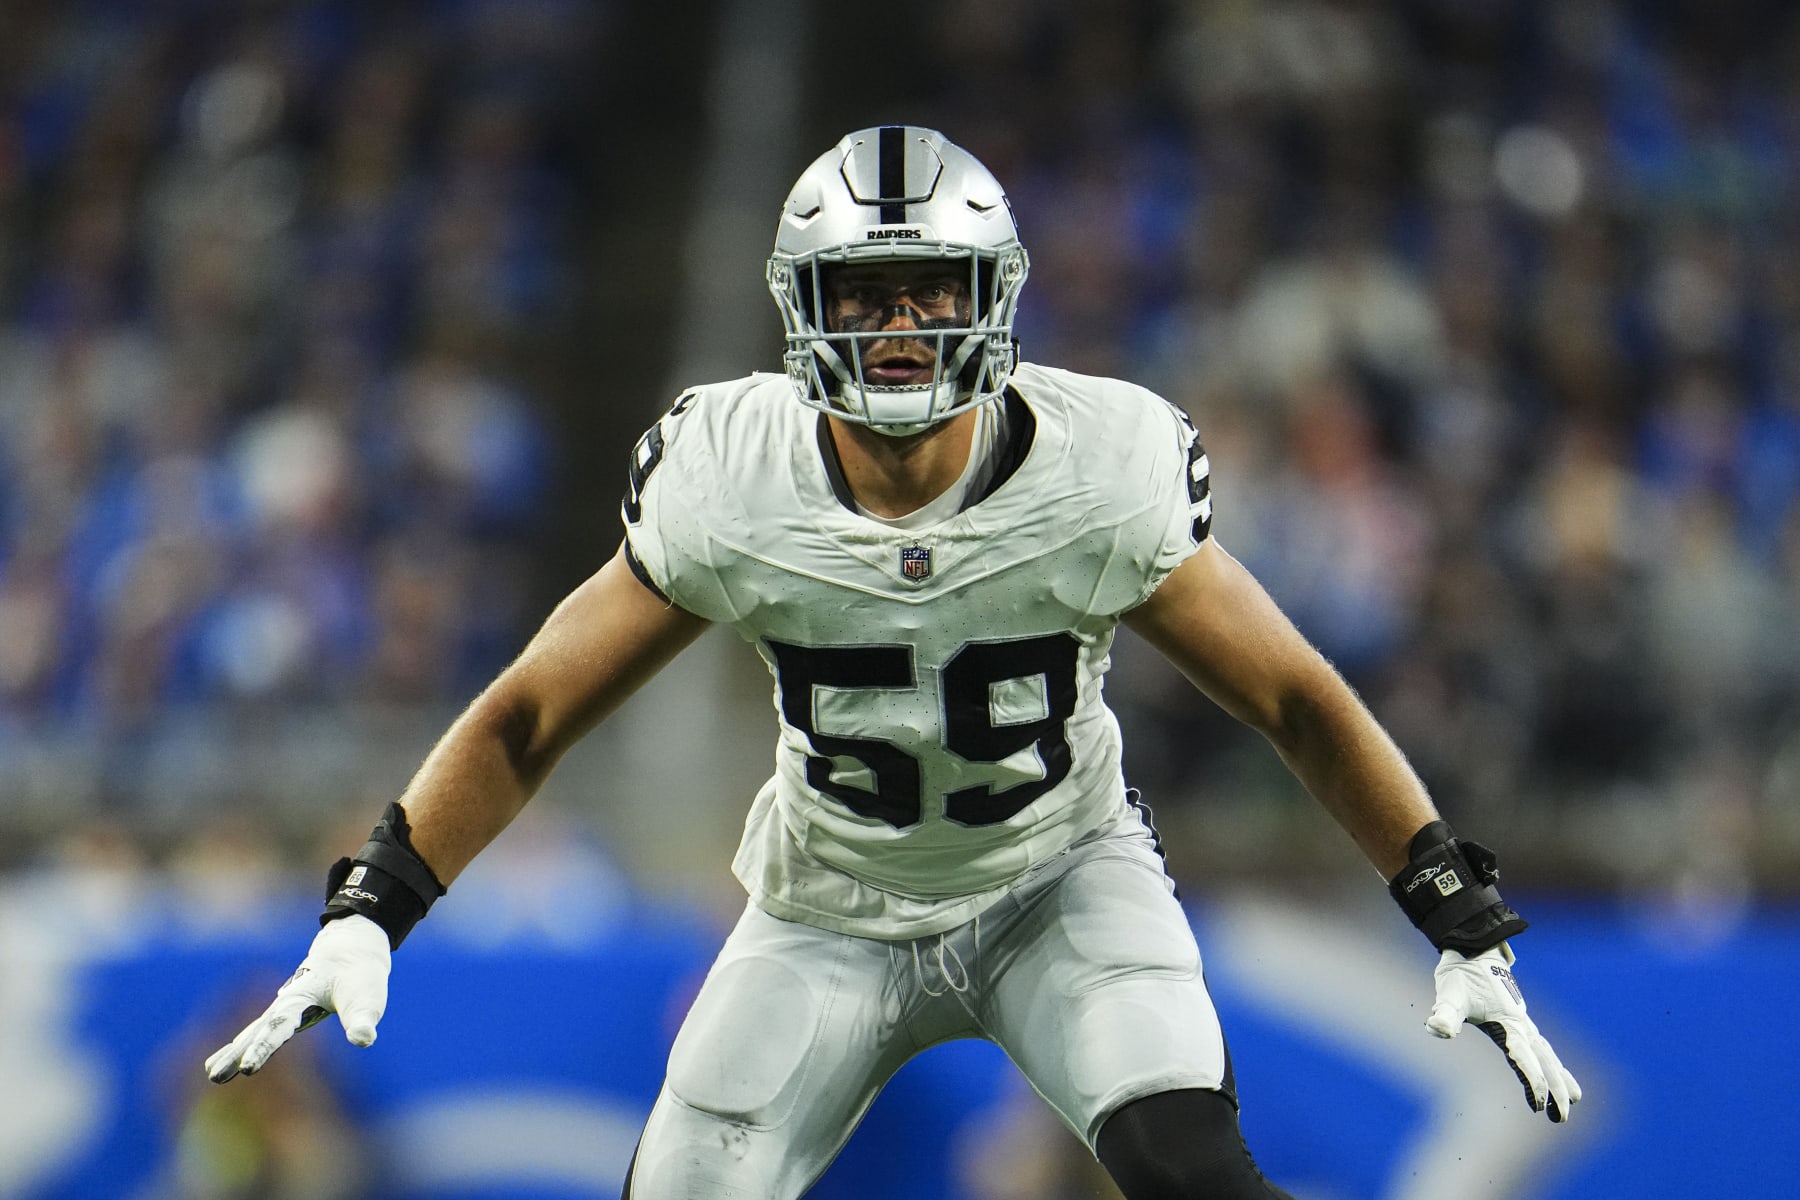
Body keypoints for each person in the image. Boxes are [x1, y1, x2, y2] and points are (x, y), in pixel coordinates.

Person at [205, 126, 1581, 1198]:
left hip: (1058, 876)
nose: (905, 324)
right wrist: (372, 905)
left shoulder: (1102, 468)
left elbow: (1294, 695)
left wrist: (1455, 912)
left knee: (1191, 1174)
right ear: (803, 307)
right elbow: (529, 713)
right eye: (866, 293)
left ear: (997, 297)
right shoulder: (730, 474)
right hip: (829, 907)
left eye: (934, 288)